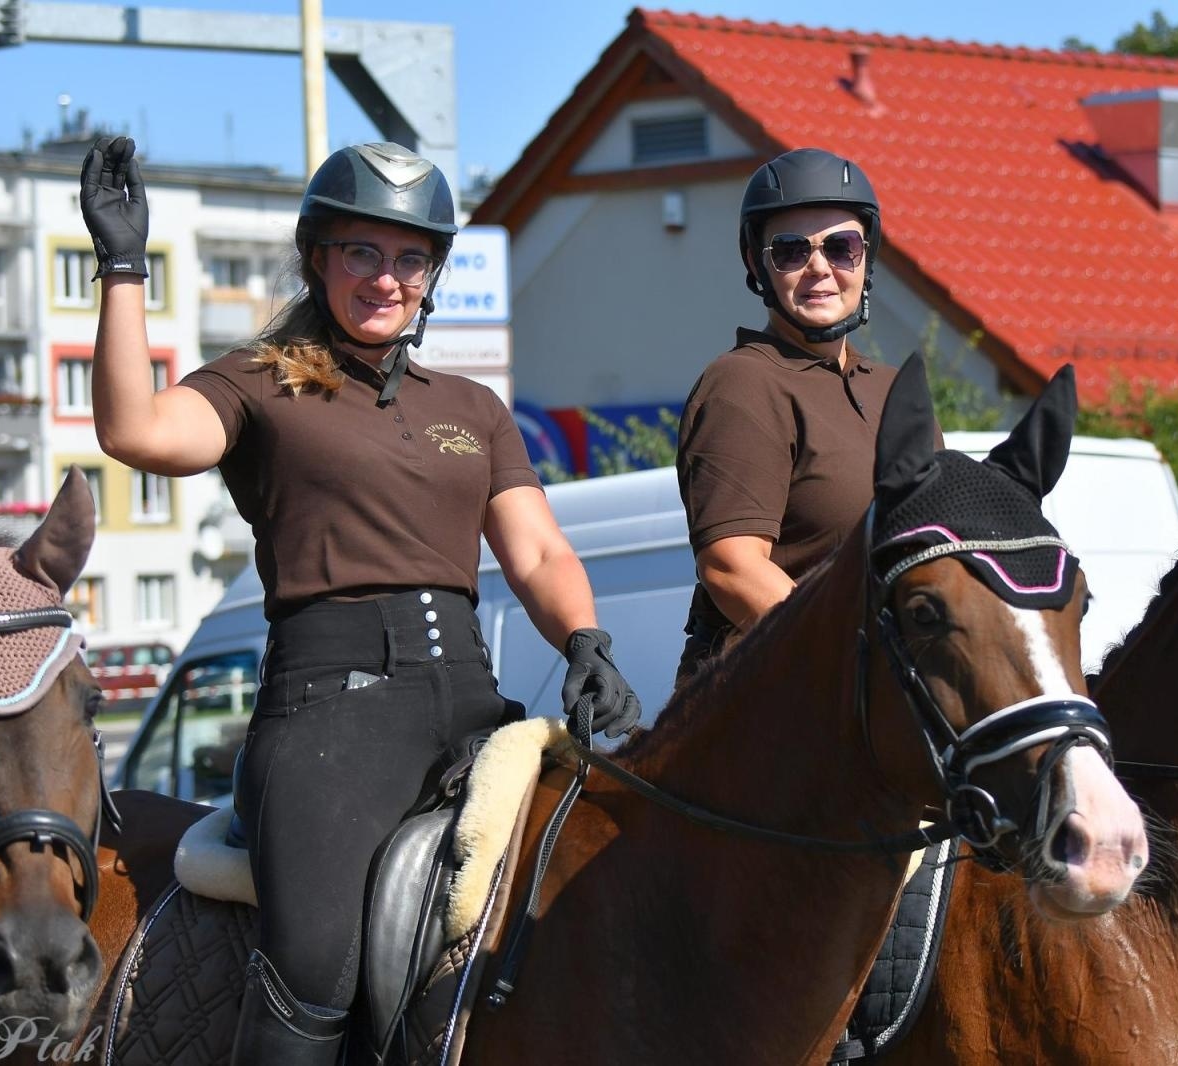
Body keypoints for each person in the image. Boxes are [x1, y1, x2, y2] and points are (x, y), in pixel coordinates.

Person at [80, 136, 641, 1065]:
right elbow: (134, 431)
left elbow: (537, 549)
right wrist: (124, 268)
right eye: (363, 253)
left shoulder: (473, 407)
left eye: (411, 257)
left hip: (473, 706)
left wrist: (587, 640)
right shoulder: (258, 383)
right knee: (314, 967)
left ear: (434, 273)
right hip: (328, 718)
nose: (388, 278)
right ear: (319, 258)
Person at [675, 147, 936, 685]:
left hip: (892, 701)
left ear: (867, 258)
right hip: (783, 697)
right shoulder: (743, 384)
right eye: (791, 251)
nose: (820, 267)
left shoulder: (896, 391)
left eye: (842, 247)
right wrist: (860, 659)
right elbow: (733, 566)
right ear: (757, 264)